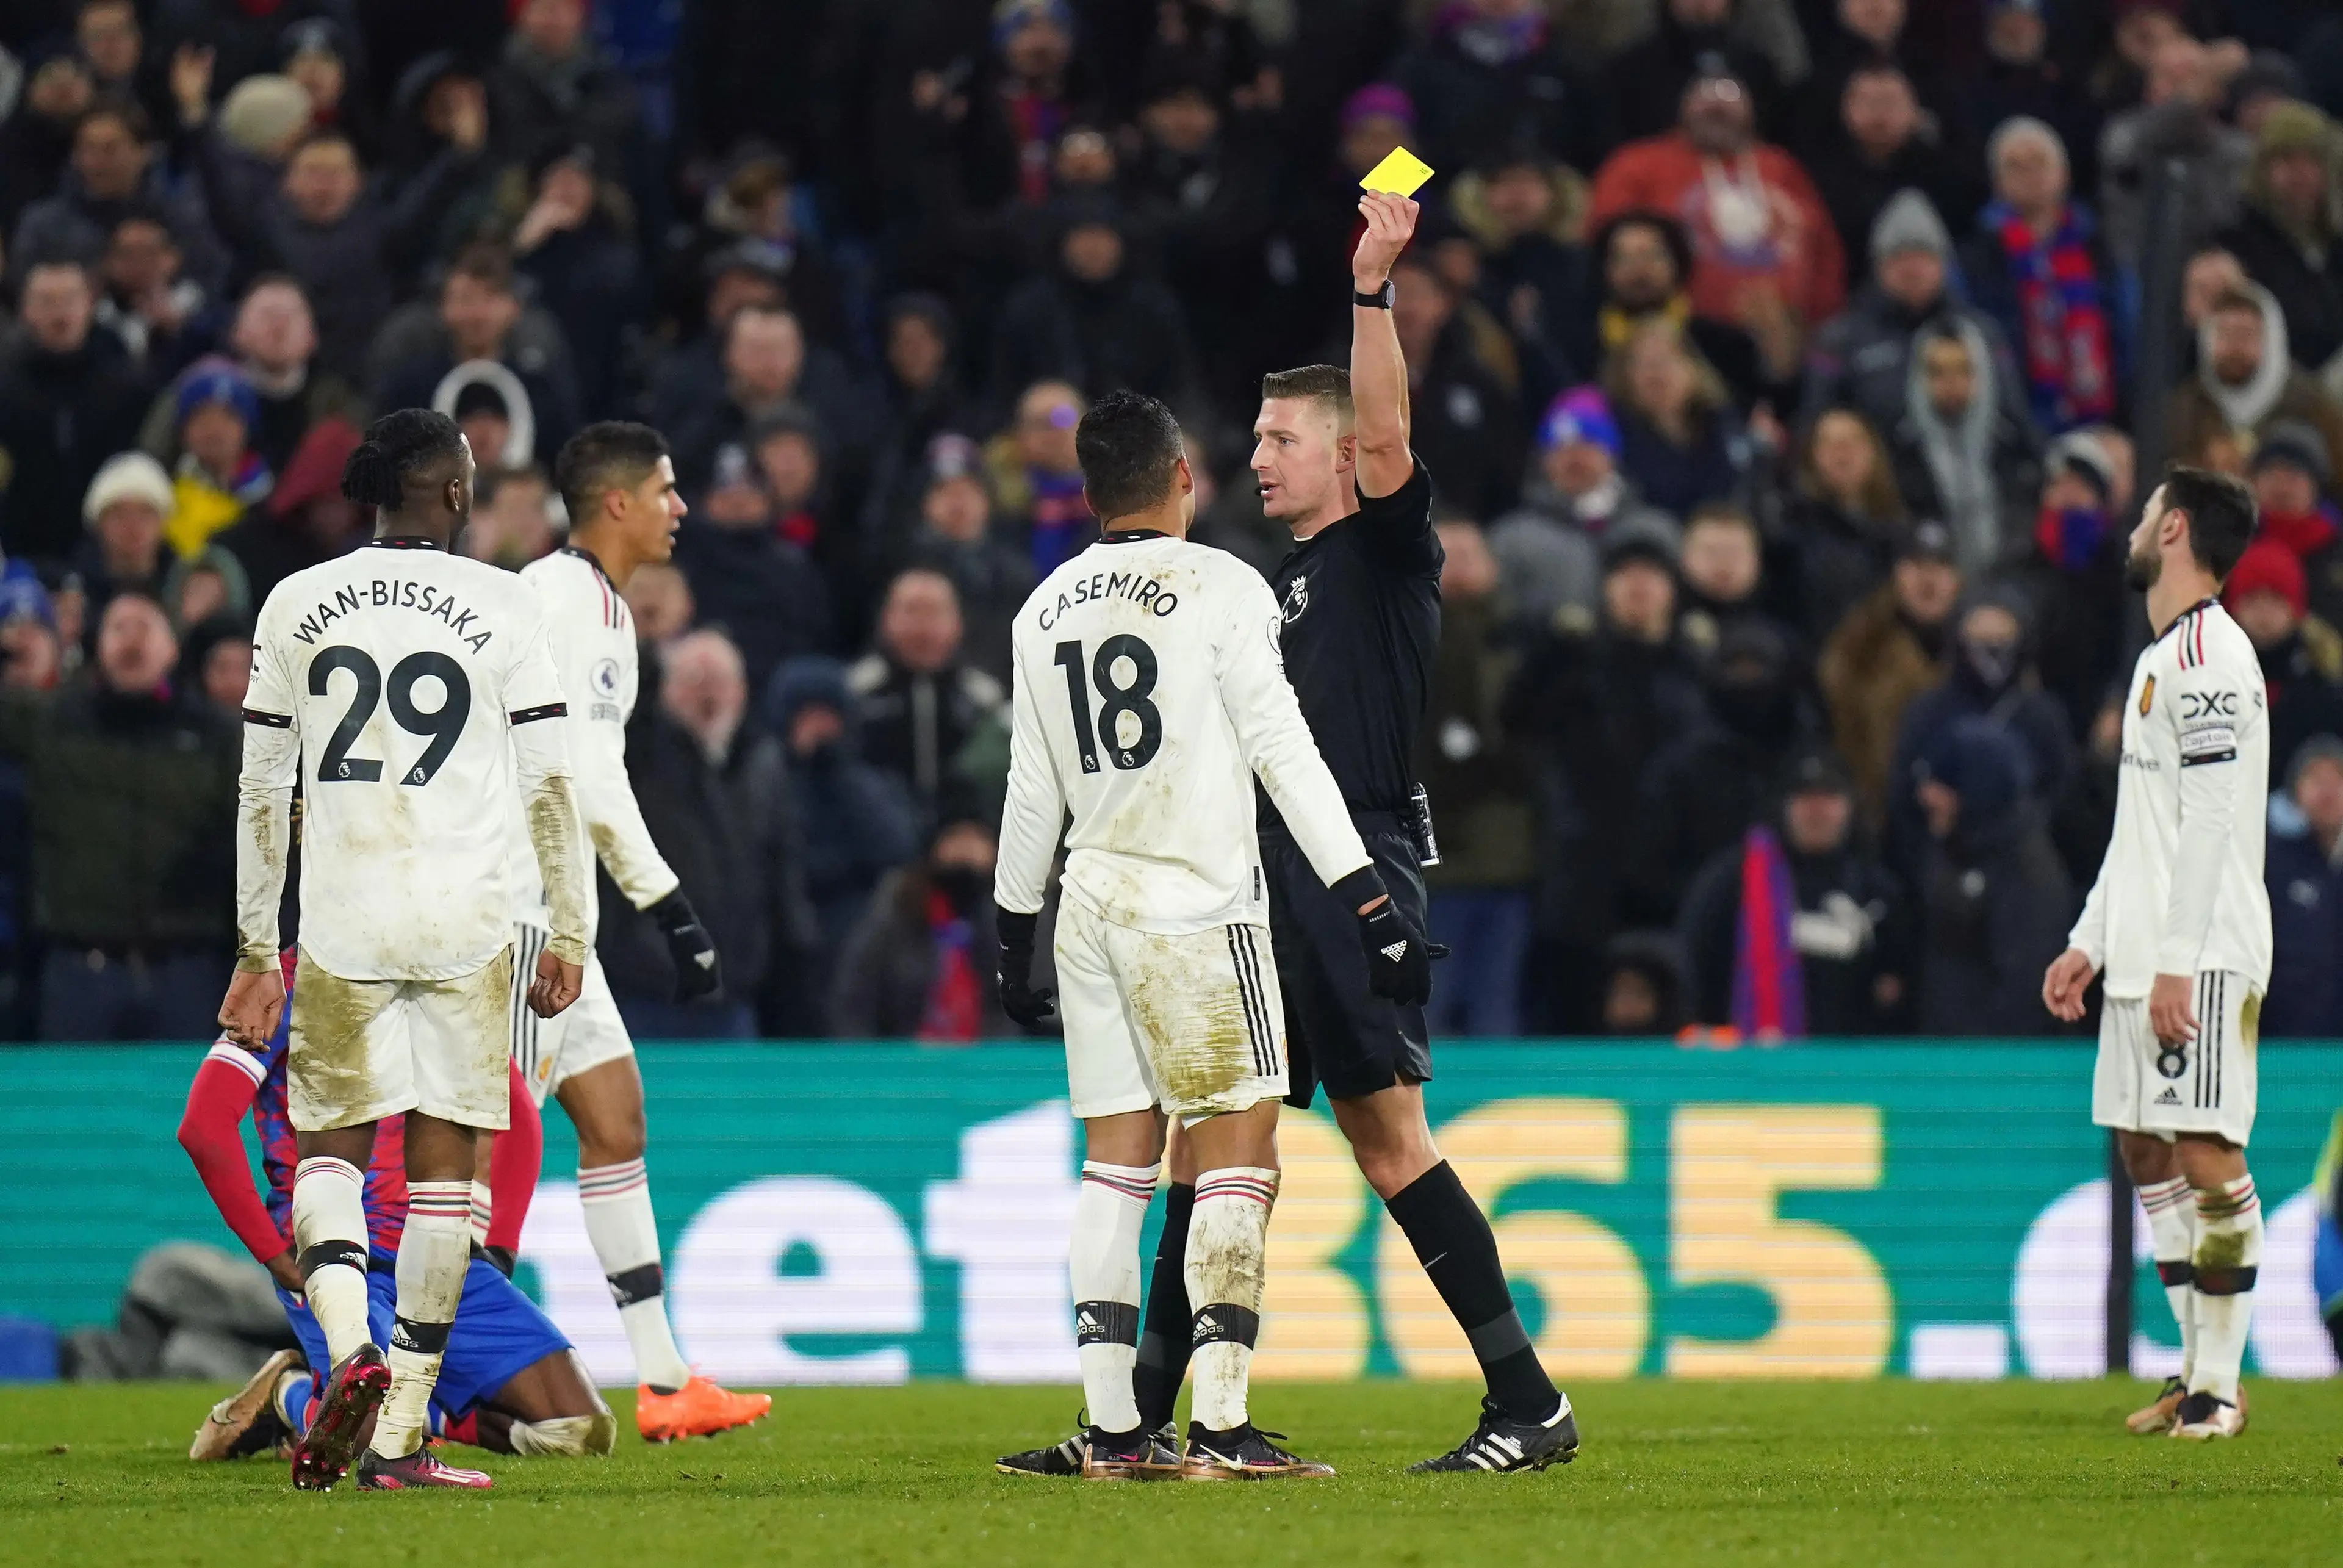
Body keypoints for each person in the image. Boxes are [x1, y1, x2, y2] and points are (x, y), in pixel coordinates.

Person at [992, 388, 1430, 1483]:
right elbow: (1286, 752)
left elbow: (1030, 791)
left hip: (1088, 908)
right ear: (1183, 477)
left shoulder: (1042, 610)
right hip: (1196, 905)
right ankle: (1224, 1430)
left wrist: (1009, 932)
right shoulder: (1225, 587)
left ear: (1090, 492)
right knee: (1239, 1156)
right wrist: (1369, 899)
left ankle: (1113, 1434)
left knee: (1115, 1170)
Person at [1245, 191, 1576, 1472]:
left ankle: (1528, 1401)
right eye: (1257, 436)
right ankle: (1152, 1413)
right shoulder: (1287, 583)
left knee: (1388, 1144)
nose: (1259, 457)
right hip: (1275, 872)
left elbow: (1386, 426)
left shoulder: (1386, 551)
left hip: (1356, 869)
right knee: (1224, 1138)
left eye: (1282, 437)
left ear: (1345, 457)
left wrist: (1371, 289)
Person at [217, 407, 593, 1492]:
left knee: (329, 1155)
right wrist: (570, 926)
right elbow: (549, 781)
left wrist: (256, 946)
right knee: (441, 1176)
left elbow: (262, 790)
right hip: (466, 924)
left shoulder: (297, 600)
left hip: (343, 920)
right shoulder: (506, 602)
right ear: (458, 493)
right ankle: (398, 1437)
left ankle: (349, 1355)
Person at [495, 422, 771, 1442]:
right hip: (518, 917)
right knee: (488, 1161)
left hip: (561, 916)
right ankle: (414, 1372)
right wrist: (669, 906)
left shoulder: (595, 605)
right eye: (666, 489)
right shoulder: (564, 602)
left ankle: (662, 1380)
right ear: (617, 503)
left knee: (615, 1123)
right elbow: (584, 776)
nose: (679, 507)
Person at [2042, 466, 2270, 1443]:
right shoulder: (2161, 656)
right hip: (2145, 949)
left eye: (2145, 516)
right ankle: (2194, 1370)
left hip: (2201, 952)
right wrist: (2090, 940)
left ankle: (2219, 1389)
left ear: (2174, 529)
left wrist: (2178, 959)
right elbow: (2145, 828)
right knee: (2145, 1148)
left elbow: (2212, 822)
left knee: (2206, 1149)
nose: (2133, 530)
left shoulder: (2211, 656)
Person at [179, 963, 612, 1463]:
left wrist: (500, 1249)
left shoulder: (440, 978)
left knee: (580, 1430)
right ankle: (291, 1396)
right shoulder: (285, 985)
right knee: (369, 1440)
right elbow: (204, 1126)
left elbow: (518, 1115)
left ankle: (365, 1407)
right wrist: (276, 1256)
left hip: (435, 1248)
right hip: (338, 1257)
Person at [0, 589, 239, 1040]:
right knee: (72, 1088)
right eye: (118, 628)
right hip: (80, 973)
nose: (132, 641)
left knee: (188, 1088)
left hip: (189, 969)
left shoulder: (218, 736)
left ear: (172, 647)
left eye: (144, 627)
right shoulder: (53, 722)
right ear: (97, 646)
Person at [1678, 748, 1909, 1038]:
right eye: (1805, 799)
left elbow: (1897, 980)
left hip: (1853, 1056)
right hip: (1751, 1053)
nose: (1817, 811)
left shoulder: (1876, 889)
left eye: (1829, 798)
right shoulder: (1733, 881)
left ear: (1849, 807)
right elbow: (1700, 964)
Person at [1960, 118, 2129, 437]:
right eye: (2015, 166)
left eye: (2039, 162)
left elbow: (2124, 328)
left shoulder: (2097, 246)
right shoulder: (1980, 256)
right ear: (1998, 182)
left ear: (2063, 174)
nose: (2030, 174)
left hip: (2100, 421)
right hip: (2014, 424)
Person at [832, 807, 1010, 1040]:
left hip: (990, 1057)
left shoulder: (1012, 914)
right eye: (956, 837)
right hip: (902, 1054)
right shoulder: (898, 907)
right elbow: (854, 999)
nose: (966, 851)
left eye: (977, 839)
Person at [2221, 538, 2343, 783]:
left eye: (2276, 600)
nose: (2263, 613)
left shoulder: (2320, 680)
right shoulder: (2217, 672)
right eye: (2252, 600)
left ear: (2296, 608)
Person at [2262, 736, 2343, 1040]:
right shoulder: (2272, 862)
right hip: (2285, 1036)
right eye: (2315, 779)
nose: (2328, 791)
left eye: (2337, 778)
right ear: (2295, 791)